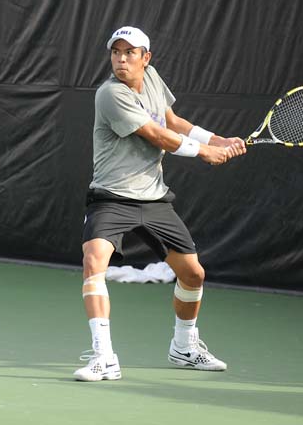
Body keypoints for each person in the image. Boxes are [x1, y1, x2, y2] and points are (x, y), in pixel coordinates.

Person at [74, 26, 246, 382]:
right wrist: (204, 152)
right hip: (111, 197)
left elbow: (172, 121)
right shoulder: (109, 94)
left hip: (153, 198)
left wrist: (216, 138)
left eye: (130, 53)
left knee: (193, 273)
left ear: (145, 58)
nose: (121, 59)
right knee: (94, 263)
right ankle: (104, 357)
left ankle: (184, 347)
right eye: (116, 52)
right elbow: (156, 135)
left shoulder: (152, 79)